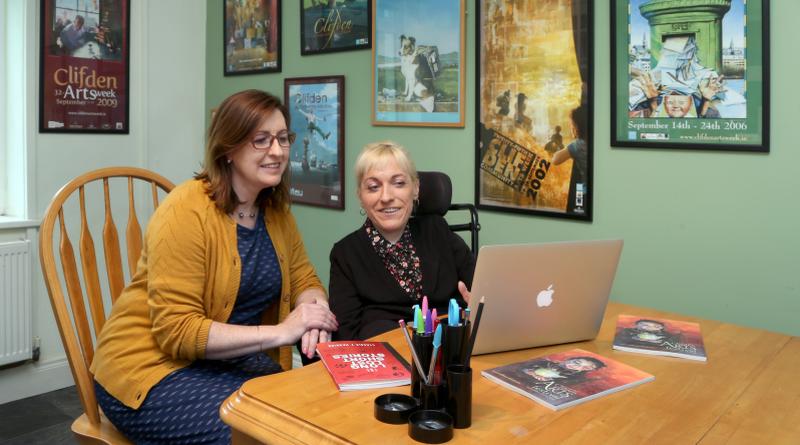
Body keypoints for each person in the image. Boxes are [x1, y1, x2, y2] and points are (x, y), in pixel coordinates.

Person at [90, 90, 338, 444]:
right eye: (261, 140)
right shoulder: (185, 211)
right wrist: (284, 332)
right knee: (261, 436)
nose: (278, 151)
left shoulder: (276, 211)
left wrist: (315, 313)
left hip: (227, 361)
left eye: (283, 138)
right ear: (228, 148)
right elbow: (177, 331)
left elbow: (304, 278)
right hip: (149, 370)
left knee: (309, 415)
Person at [329, 141, 475, 340]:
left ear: (415, 189)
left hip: (451, 354)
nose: (386, 196)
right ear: (361, 197)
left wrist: (479, 306)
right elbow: (346, 337)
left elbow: (482, 294)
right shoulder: (346, 254)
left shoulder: (439, 231)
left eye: (398, 183)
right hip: (387, 362)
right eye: (373, 187)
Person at [553, 104, 588, 214]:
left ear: (577, 127)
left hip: (584, 192)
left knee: (578, 208)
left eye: (571, 125)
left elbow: (555, 159)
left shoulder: (579, 145)